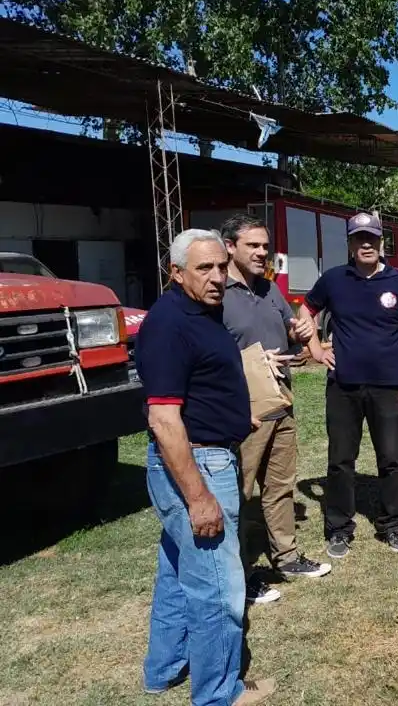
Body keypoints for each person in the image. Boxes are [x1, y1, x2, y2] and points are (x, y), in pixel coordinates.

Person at [136, 229, 274, 706]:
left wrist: (237, 414)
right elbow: (163, 418)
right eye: (204, 269)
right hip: (196, 466)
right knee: (219, 589)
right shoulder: (168, 323)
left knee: (177, 573)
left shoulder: (201, 312)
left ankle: (164, 670)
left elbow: (199, 385)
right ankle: (219, 695)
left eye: (220, 266)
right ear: (176, 273)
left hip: (209, 451)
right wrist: (198, 496)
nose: (217, 277)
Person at [297, 211, 398, 558]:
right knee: (340, 459)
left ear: (381, 241)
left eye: (372, 238)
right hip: (343, 386)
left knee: (391, 458)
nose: (366, 244)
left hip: (388, 387)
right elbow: (305, 311)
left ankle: (392, 524)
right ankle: (339, 528)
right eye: (359, 238)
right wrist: (314, 350)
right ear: (350, 244)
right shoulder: (334, 279)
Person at [220, 213, 331, 606]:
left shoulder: (270, 290)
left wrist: (300, 332)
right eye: (253, 245)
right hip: (244, 410)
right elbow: (208, 353)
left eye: (265, 245)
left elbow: (291, 331)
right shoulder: (217, 293)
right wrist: (249, 361)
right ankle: (239, 574)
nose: (262, 252)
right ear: (229, 246)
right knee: (238, 494)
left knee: (280, 486)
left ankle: (286, 557)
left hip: (282, 403)